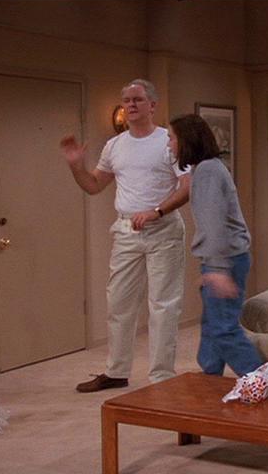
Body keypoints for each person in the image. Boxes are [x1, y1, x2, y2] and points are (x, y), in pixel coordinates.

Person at [61, 79, 190, 392]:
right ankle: (116, 371)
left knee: (163, 305)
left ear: (152, 105)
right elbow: (94, 185)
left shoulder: (168, 142)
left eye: (137, 99)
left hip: (163, 230)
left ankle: (161, 377)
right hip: (126, 230)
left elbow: (187, 187)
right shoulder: (115, 145)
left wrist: (157, 211)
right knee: (119, 303)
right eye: (127, 100)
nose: (130, 105)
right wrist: (76, 166)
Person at [168, 114, 263, 376]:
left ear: (186, 140)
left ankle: (262, 380)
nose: (169, 144)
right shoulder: (205, 168)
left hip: (225, 259)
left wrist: (218, 269)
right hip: (223, 258)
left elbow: (214, 222)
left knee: (223, 330)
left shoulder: (208, 171)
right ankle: (208, 383)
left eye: (171, 138)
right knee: (211, 328)